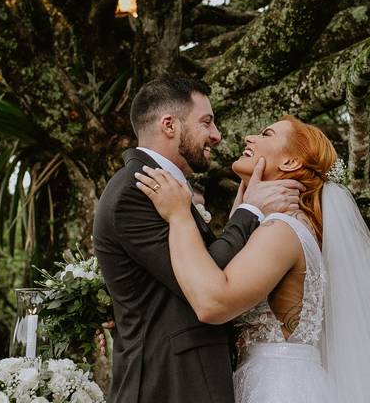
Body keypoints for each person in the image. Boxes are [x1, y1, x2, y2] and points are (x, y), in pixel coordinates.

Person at [136, 114, 370, 403]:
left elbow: (213, 303)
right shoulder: (286, 227)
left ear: (290, 161)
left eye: (266, 133)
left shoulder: (281, 230)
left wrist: (180, 218)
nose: (249, 138)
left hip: (277, 387)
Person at [92, 76, 303, 403]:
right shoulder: (136, 192)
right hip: (166, 385)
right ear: (169, 125)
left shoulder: (159, 187)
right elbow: (204, 282)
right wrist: (248, 212)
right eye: (206, 122)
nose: (217, 135)